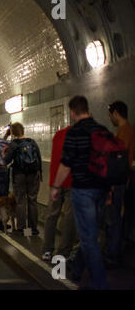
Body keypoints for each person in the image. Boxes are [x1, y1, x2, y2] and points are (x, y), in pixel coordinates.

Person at [51, 96, 109, 290]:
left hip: (83, 190)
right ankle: (77, 266)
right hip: (101, 190)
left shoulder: (74, 132)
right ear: (88, 109)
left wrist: (56, 187)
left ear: (73, 112)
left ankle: (99, 283)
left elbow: (66, 164)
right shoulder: (102, 130)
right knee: (91, 234)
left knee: (89, 237)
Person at [42, 126, 78, 261]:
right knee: (69, 217)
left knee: (51, 215)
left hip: (55, 180)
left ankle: (47, 250)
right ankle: (63, 253)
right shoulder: (81, 135)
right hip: (72, 181)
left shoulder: (58, 134)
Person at [106, 101, 135, 268]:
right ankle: (114, 252)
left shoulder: (124, 132)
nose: (110, 118)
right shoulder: (127, 130)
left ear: (116, 113)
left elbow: (118, 161)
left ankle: (113, 255)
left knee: (114, 219)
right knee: (118, 218)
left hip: (118, 182)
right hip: (124, 180)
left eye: (111, 115)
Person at [3, 123, 42, 236]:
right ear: (23, 130)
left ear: (13, 133)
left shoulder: (14, 144)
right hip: (33, 175)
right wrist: (39, 174)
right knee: (32, 200)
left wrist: (4, 152)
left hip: (19, 174)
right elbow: (38, 158)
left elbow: (6, 161)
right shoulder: (32, 142)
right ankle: (33, 229)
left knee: (20, 201)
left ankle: (21, 229)